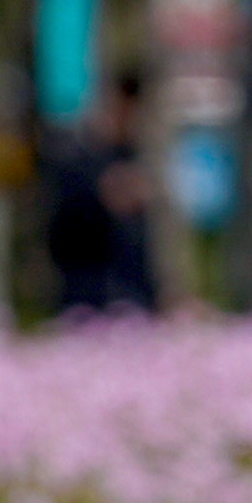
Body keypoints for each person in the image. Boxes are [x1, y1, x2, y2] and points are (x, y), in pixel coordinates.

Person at [40, 71, 159, 319]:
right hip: (85, 298)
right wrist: (100, 193)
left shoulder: (132, 158)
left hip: (133, 300)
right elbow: (60, 233)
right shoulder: (75, 161)